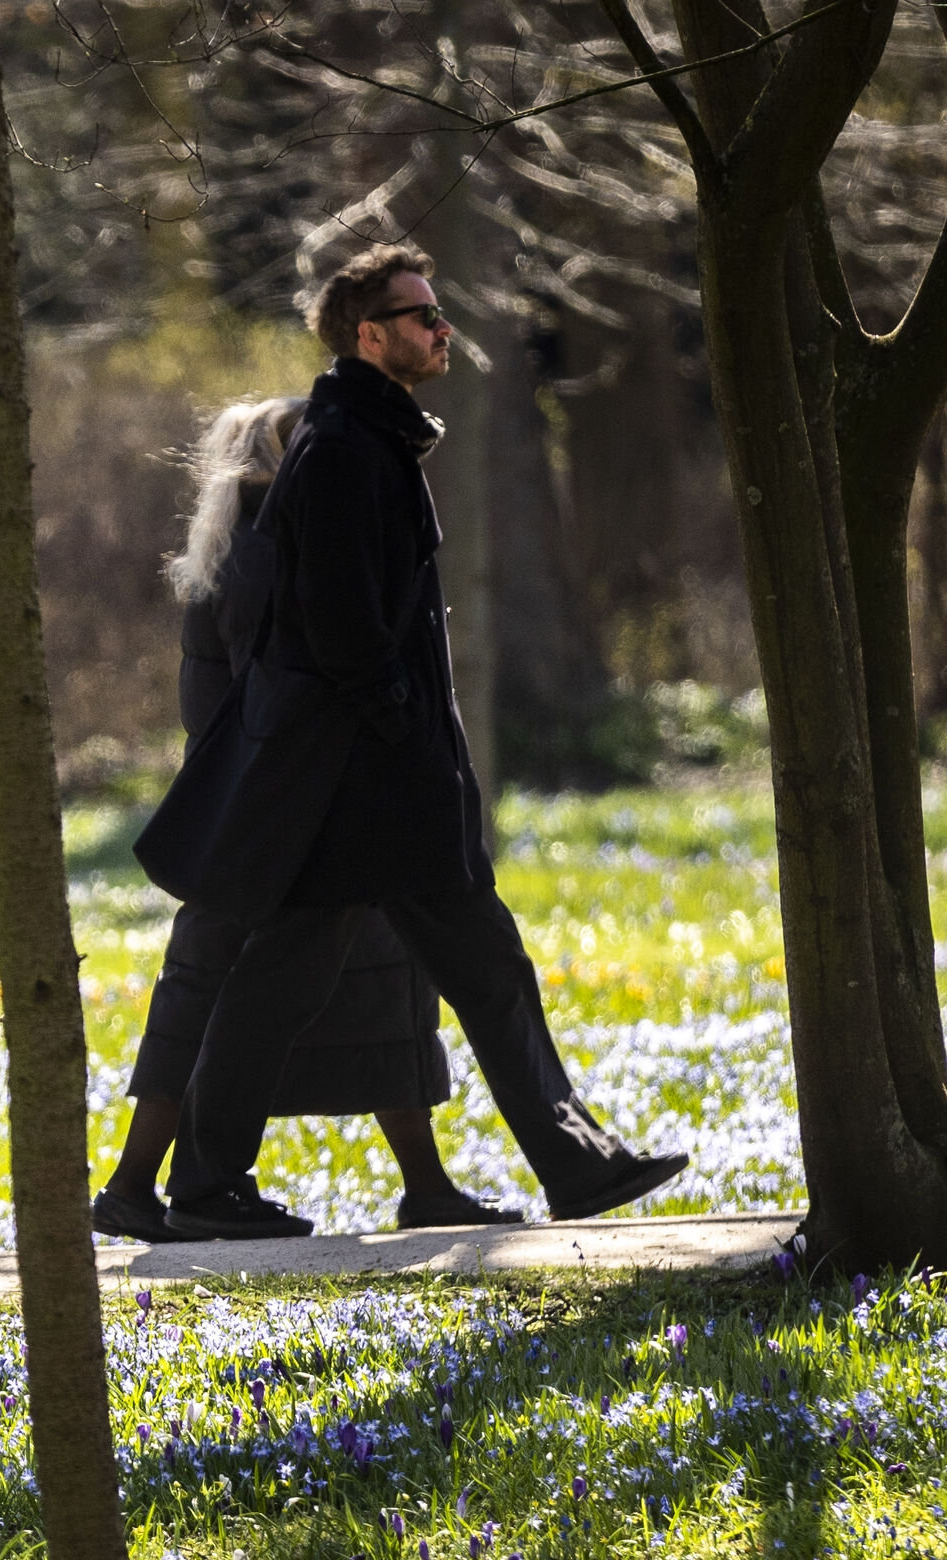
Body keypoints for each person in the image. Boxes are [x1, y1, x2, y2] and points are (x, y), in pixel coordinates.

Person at [135, 241, 684, 1240]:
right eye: (419, 315)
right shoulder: (345, 446)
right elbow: (340, 621)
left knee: (301, 974)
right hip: (377, 783)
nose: (440, 330)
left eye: (437, 312)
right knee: (478, 963)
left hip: (362, 781)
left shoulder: (364, 436)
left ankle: (207, 1185)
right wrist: (401, 732)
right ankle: (572, 1164)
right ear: (368, 334)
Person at [97, 395, 512, 1244]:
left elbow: (207, 701)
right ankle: (160, 1186)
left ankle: (147, 1185)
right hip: (300, 803)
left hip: (261, 806)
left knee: (306, 981)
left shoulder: (230, 545)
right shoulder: (287, 542)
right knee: (346, 982)